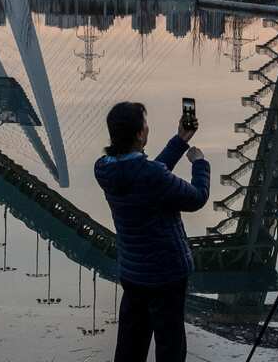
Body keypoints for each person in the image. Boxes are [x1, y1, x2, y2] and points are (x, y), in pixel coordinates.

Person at [94, 101, 209, 362]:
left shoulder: (104, 169)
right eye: (145, 125)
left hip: (133, 272)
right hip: (166, 275)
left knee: (130, 346)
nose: (147, 128)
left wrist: (179, 141)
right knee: (170, 347)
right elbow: (197, 198)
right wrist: (200, 164)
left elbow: (145, 174)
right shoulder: (151, 176)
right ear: (139, 134)